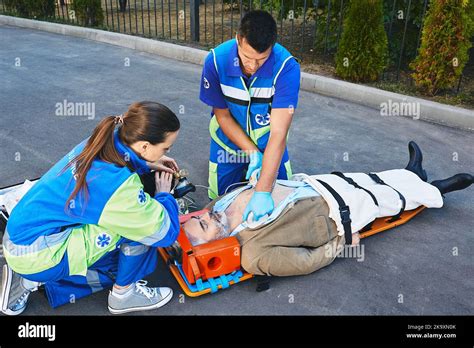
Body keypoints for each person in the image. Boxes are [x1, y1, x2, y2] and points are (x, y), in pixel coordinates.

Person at [181, 142, 473, 276]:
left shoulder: (216, 210)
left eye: (199, 217)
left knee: (366, 179)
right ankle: (439, 189)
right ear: (214, 248)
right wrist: (342, 243)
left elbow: (208, 214)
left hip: (313, 187)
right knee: (381, 199)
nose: (206, 214)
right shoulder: (254, 255)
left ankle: (413, 171)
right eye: (204, 224)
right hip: (333, 214)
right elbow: (307, 261)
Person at [1, 101, 181, 315]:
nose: (165, 152)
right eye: (164, 148)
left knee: (123, 225)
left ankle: (27, 279)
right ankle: (123, 295)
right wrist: (163, 194)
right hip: (35, 255)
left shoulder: (100, 140)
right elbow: (164, 233)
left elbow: (112, 173)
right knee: (139, 225)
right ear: (144, 146)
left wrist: (147, 163)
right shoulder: (118, 189)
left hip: (19, 235)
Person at [199, 10, 301, 224]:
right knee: (220, 207)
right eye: (247, 57)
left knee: (284, 208)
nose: (253, 66)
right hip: (227, 146)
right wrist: (252, 153)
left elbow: (279, 132)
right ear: (238, 39)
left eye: (261, 59)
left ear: (272, 47)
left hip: (271, 145)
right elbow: (223, 116)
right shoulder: (216, 61)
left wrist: (263, 192)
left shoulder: (286, 68)